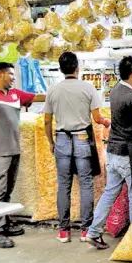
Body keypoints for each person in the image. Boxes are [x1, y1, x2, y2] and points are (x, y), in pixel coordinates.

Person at [0, 62, 45, 248]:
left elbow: (36, 97)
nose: (14, 78)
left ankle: (4, 222)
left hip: (13, 150)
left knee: (8, 190)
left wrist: (58, 92)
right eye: (11, 74)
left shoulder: (14, 94)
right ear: (1, 74)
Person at [86, 57, 132, 249]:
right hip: (128, 153)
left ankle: (93, 232)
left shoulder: (118, 89)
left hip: (113, 152)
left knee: (110, 192)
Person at [44, 53, 111, 244]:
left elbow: (47, 120)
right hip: (82, 137)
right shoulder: (88, 88)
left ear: (60, 68)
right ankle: (85, 230)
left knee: (63, 185)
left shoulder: (53, 90)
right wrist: (107, 122)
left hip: (62, 138)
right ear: (77, 67)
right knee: (86, 183)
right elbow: (97, 118)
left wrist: (51, 142)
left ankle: (64, 231)